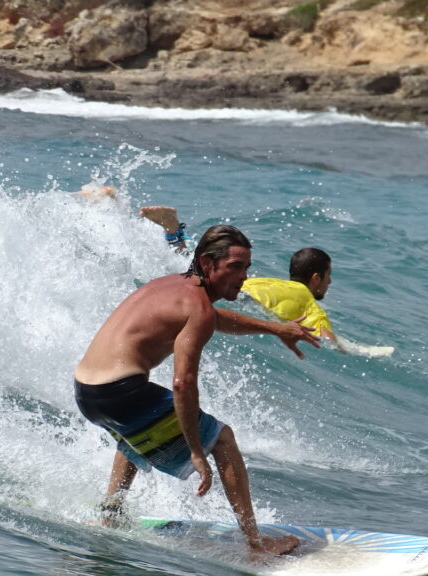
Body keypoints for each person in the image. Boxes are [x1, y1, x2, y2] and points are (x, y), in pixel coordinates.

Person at [74, 224, 318, 557]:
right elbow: (183, 383)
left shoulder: (172, 286)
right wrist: (196, 450)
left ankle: (110, 515)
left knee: (140, 426)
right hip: (122, 392)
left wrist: (274, 328)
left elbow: (214, 318)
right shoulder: (197, 307)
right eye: (235, 266)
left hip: (89, 392)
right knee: (223, 438)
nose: (244, 276)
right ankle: (256, 546)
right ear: (206, 264)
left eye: (247, 267)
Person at [140, 206, 340, 347]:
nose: (330, 282)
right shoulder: (310, 304)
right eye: (328, 276)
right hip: (245, 302)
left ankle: (172, 232)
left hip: (241, 291)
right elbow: (328, 341)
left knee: (191, 270)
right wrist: (344, 349)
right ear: (315, 278)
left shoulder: (273, 283)